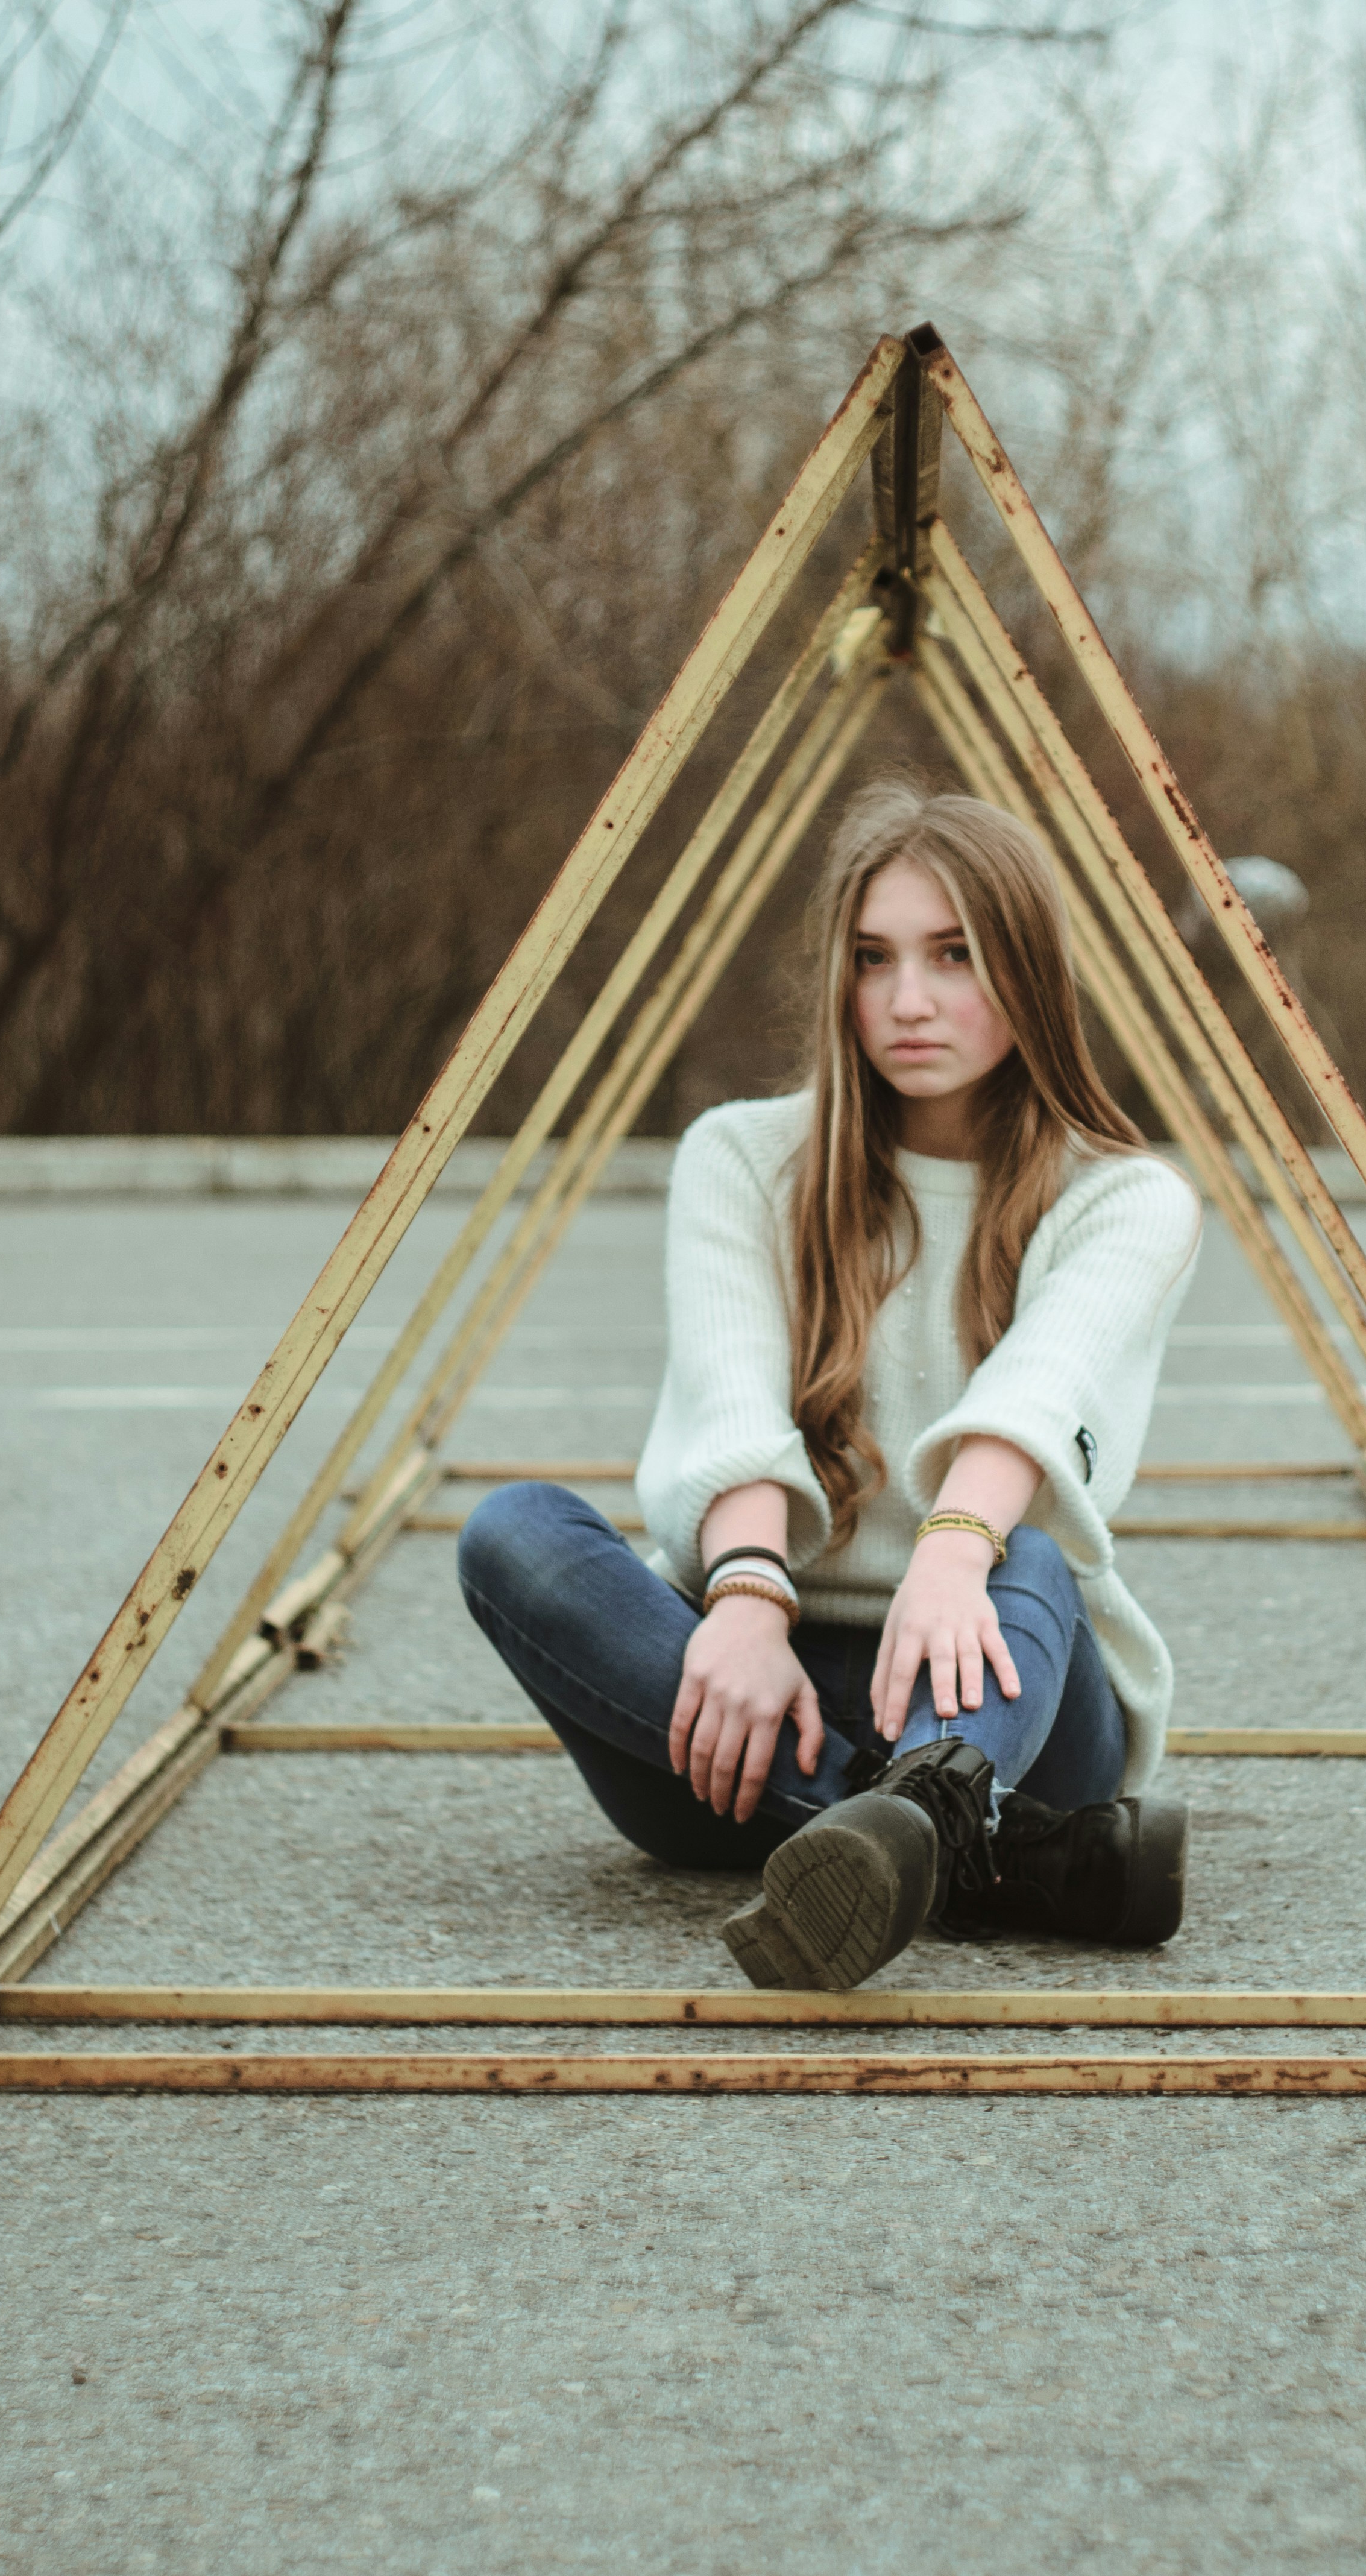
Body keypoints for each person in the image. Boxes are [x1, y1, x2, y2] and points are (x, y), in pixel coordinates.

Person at [458, 781, 1202, 1990]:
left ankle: (938, 1811)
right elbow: (730, 1396)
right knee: (514, 1534)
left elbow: (1038, 1387)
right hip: (750, 1707)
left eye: (955, 956)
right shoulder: (743, 1159)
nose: (909, 1000)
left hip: (1008, 1699)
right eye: (875, 959)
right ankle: (994, 1858)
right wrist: (747, 1601)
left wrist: (953, 1551)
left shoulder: (1126, 1199)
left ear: (1027, 966)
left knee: (1033, 1555)